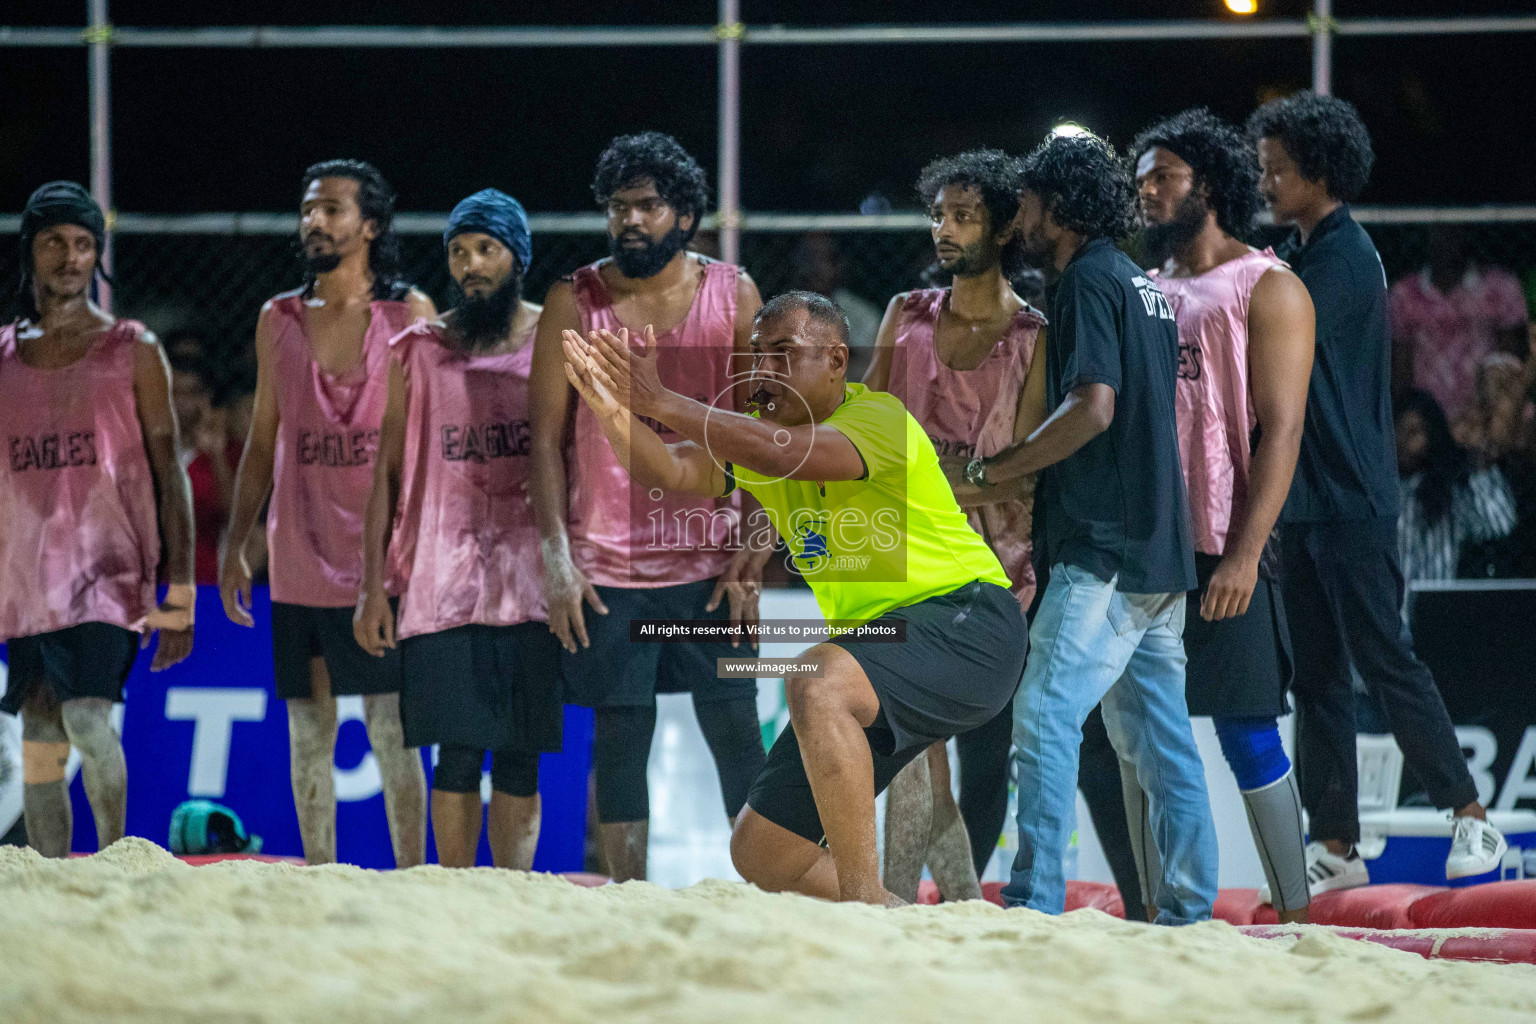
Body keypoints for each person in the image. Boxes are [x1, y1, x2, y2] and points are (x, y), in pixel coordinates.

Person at [562, 291, 1028, 905]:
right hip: (883, 646)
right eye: (756, 356)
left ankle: (868, 902)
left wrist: (661, 400)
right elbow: (667, 471)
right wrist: (612, 410)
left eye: (784, 354)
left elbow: (794, 454)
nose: (763, 370)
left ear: (837, 361)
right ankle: (903, 918)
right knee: (763, 854)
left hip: (969, 622)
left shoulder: (876, 418)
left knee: (815, 679)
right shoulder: (765, 440)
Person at [958, 131, 1218, 925]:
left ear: (1061, 206)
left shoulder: (1083, 285)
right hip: (1159, 550)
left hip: (1103, 549)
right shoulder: (1141, 283)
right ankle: (1188, 909)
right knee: (1162, 741)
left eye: (1030, 203)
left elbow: (1094, 407)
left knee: (1042, 716)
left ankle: (1032, 898)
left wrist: (991, 473)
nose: (1020, 219)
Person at [1249, 91, 1505, 889]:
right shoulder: (1305, 255)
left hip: (1355, 496)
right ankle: (1336, 846)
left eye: (1278, 172)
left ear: (1319, 174)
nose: (1266, 184)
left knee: (1383, 660)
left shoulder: (1344, 260)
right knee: (1316, 678)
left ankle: (1471, 819)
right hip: (1307, 497)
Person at [528, 132, 768, 882]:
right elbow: (542, 440)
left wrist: (752, 550)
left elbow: (764, 431)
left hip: (708, 559)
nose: (630, 219)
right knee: (622, 733)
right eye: (618, 206)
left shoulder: (736, 294)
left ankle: (775, 883)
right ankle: (629, 893)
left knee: (735, 728)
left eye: (648, 205)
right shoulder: (574, 298)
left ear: (687, 215)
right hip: (609, 563)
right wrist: (557, 561)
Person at [1129, 109, 1317, 922]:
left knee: (1245, 731)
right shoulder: (1141, 288)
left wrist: (1246, 555)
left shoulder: (1267, 285)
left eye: (1161, 176)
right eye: (1139, 180)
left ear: (1205, 184)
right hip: (1140, 544)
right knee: (1135, 739)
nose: (1145, 192)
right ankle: (1151, 912)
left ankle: (1298, 912)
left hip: (1221, 542)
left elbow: (1284, 429)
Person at [219, 160, 433, 867]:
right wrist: (235, 543)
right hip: (298, 556)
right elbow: (261, 439)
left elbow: (427, 450)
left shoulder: (410, 316)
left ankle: (412, 880)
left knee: (391, 728)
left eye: (334, 210)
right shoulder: (277, 318)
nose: (315, 221)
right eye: (309, 209)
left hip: (383, 561)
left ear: (370, 225)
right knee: (308, 731)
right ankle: (318, 876)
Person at [354, 189, 561, 869]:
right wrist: (371, 587)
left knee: (520, 755)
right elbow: (385, 473)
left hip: (533, 584)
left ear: (519, 258)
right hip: (442, 586)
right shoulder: (417, 350)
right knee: (457, 752)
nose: (471, 265)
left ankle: (513, 894)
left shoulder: (555, 345)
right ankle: (455, 892)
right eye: (458, 251)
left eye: (486, 249)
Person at [862, 148, 1045, 901]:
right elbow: (867, 428)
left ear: (1003, 229)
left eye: (963, 215)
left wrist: (927, 487)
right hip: (906, 562)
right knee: (914, 749)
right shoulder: (906, 315)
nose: (944, 227)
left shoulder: (1034, 333)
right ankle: (920, 907)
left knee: (971, 755)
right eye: (938, 213)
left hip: (995, 573)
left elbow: (1027, 467)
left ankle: (924, 905)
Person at [0, 181, 195, 856]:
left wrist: (179, 592)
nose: (70, 257)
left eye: (84, 245)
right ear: (30, 251)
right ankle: (53, 874)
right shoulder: (2, 354)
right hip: (25, 581)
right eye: (55, 241)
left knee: (86, 716)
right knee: (40, 730)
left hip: (107, 575)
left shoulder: (131, 349)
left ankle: (114, 857)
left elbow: (173, 476)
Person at [1390, 225, 1529, 418]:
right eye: (1440, 228)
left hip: (1483, 415)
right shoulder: (1405, 292)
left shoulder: (1499, 286)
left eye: (1454, 228)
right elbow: (1400, 369)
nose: (1447, 237)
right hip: (1426, 417)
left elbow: (1511, 362)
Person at [1395, 389, 1516, 584]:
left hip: (1436, 610)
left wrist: (1479, 463)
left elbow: (1499, 523)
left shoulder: (1446, 493)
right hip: (1386, 612)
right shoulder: (1377, 492)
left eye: (1413, 432)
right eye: (1397, 431)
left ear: (1431, 436)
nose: (1402, 442)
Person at [793, 231, 883, 380]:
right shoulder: (780, 309)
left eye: (823, 259)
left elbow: (868, 360)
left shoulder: (861, 313)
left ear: (839, 264)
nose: (816, 267)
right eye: (808, 258)